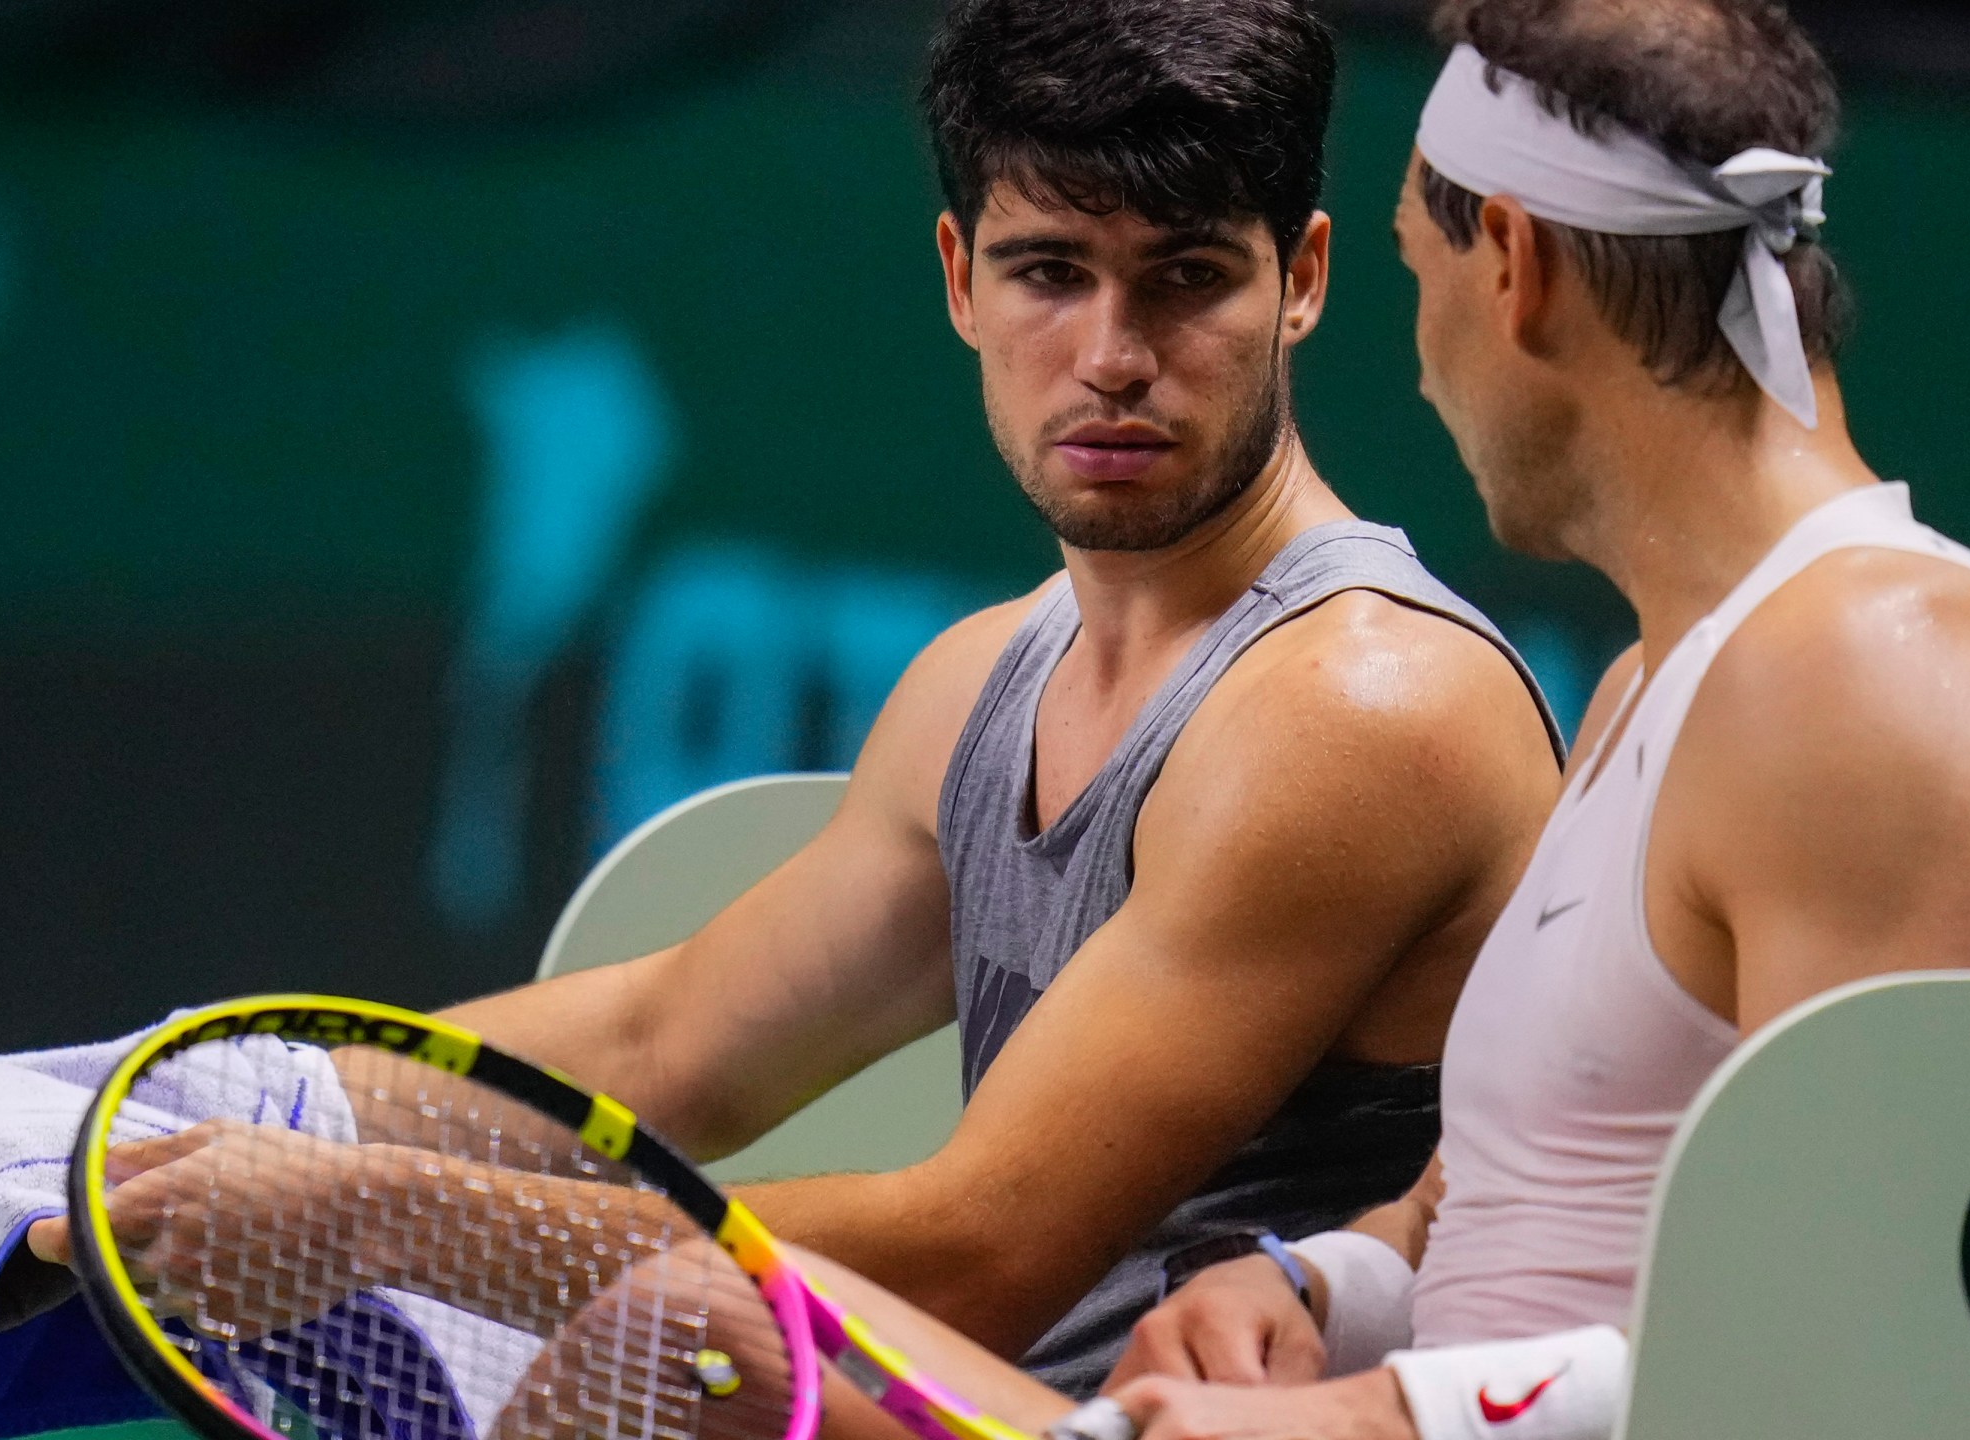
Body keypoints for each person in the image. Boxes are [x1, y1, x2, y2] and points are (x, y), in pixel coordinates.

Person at [711, 2, 1970, 1437]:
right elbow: (1536, 1196)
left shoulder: (1866, 677)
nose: (1418, 362)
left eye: (1419, 270)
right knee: (684, 1333)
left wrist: (1381, 1417)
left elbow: (1892, 1336)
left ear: (1516, 267)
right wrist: (1323, 1287)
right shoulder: (1661, 686)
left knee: (689, 1326)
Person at [419, 0, 1567, 1400]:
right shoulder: (979, 678)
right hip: (1023, 1411)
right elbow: (667, 1044)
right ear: (961, 279)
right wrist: (192, 1104)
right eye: (1049, 273)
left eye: (1187, 276)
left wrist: (386, 1221)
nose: (1111, 356)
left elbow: (983, 1247)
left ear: (1304, 279)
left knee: (688, 1342)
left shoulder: (1366, 707)